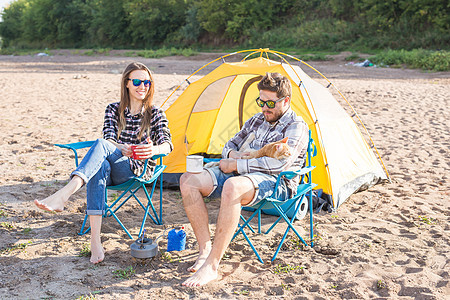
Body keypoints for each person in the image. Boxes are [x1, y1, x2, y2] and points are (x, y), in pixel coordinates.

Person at [34, 62, 172, 264]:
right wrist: (120, 147)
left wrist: (154, 150)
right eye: (137, 81)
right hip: (111, 166)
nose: (142, 86)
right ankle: (95, 244)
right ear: (126, 83)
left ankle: (65, 194)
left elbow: (168, 145)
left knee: (101, 147)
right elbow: (108, 138)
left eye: (147, 82)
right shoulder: (113, 109)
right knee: (100, 163)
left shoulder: (155, 114)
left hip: (135, 170)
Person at [180, 72, 309, 287]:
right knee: (188, 180)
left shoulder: (296, 125)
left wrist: (238, 165)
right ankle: (205, 251)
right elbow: (229, 145)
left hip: (277, 182)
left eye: (270, 103)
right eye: (261, 101)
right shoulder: (257, 119)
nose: (264, 108)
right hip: (241, 173)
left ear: (285, 101)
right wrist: (233, 156)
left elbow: (280, 165)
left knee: (232, 186)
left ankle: (212, 266)